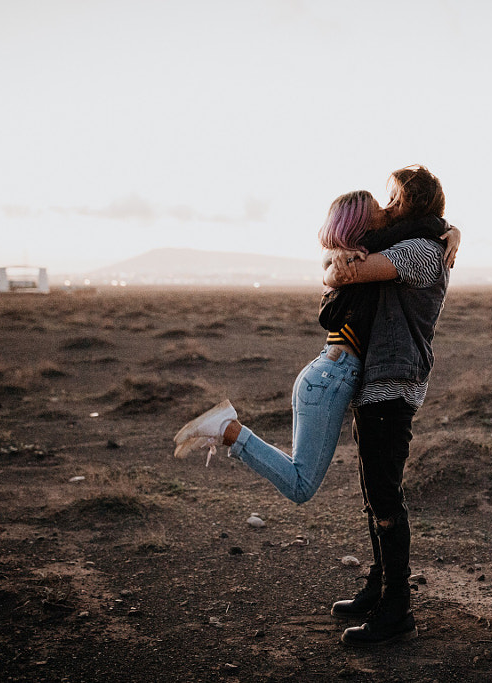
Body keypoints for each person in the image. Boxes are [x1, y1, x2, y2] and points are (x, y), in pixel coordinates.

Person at [172, 187, 459, 506]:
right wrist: (441, 230)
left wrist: (449, 230)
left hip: (324, 373)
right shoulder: (357, 265)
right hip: (332, 378)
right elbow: (394, 241)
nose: (387, 211)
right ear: (362, 224)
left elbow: (399, 236)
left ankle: (228, 429)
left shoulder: (357, 259)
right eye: (378, 209)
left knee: (304, 479)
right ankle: (229, 430)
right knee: (301, 485)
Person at [322, 165, 451, 647]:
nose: (387, 206)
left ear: (412, 205)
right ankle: (379, 590)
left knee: (387, 501)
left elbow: (345, 270)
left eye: (394, 199)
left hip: (393, 384)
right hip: (377, 382)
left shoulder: (419, 251)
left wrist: (340, 255)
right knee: (375, 495)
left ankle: (398, 611)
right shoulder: (417, 241)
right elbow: (340, 267)